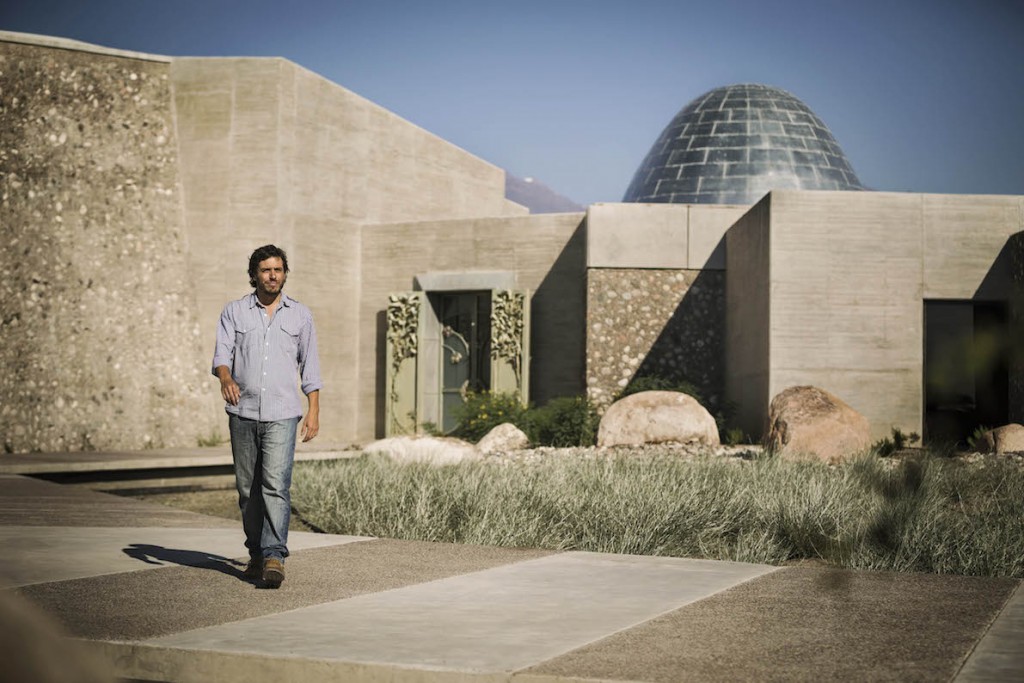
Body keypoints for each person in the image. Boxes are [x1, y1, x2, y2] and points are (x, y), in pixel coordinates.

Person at [211, 244, 321, 588]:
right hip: (242, 412)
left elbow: (311, 366)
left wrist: (313, 410)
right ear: (254, 275)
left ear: (284, 273)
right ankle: (256, 553)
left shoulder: (300, 315)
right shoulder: (234, 312)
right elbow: (221, 355)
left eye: (278, 270)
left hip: (283, 413)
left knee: (275, 485)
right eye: (265, 270)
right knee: (248, 490)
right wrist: (226, 377)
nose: (272, 276)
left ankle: (275, 555)